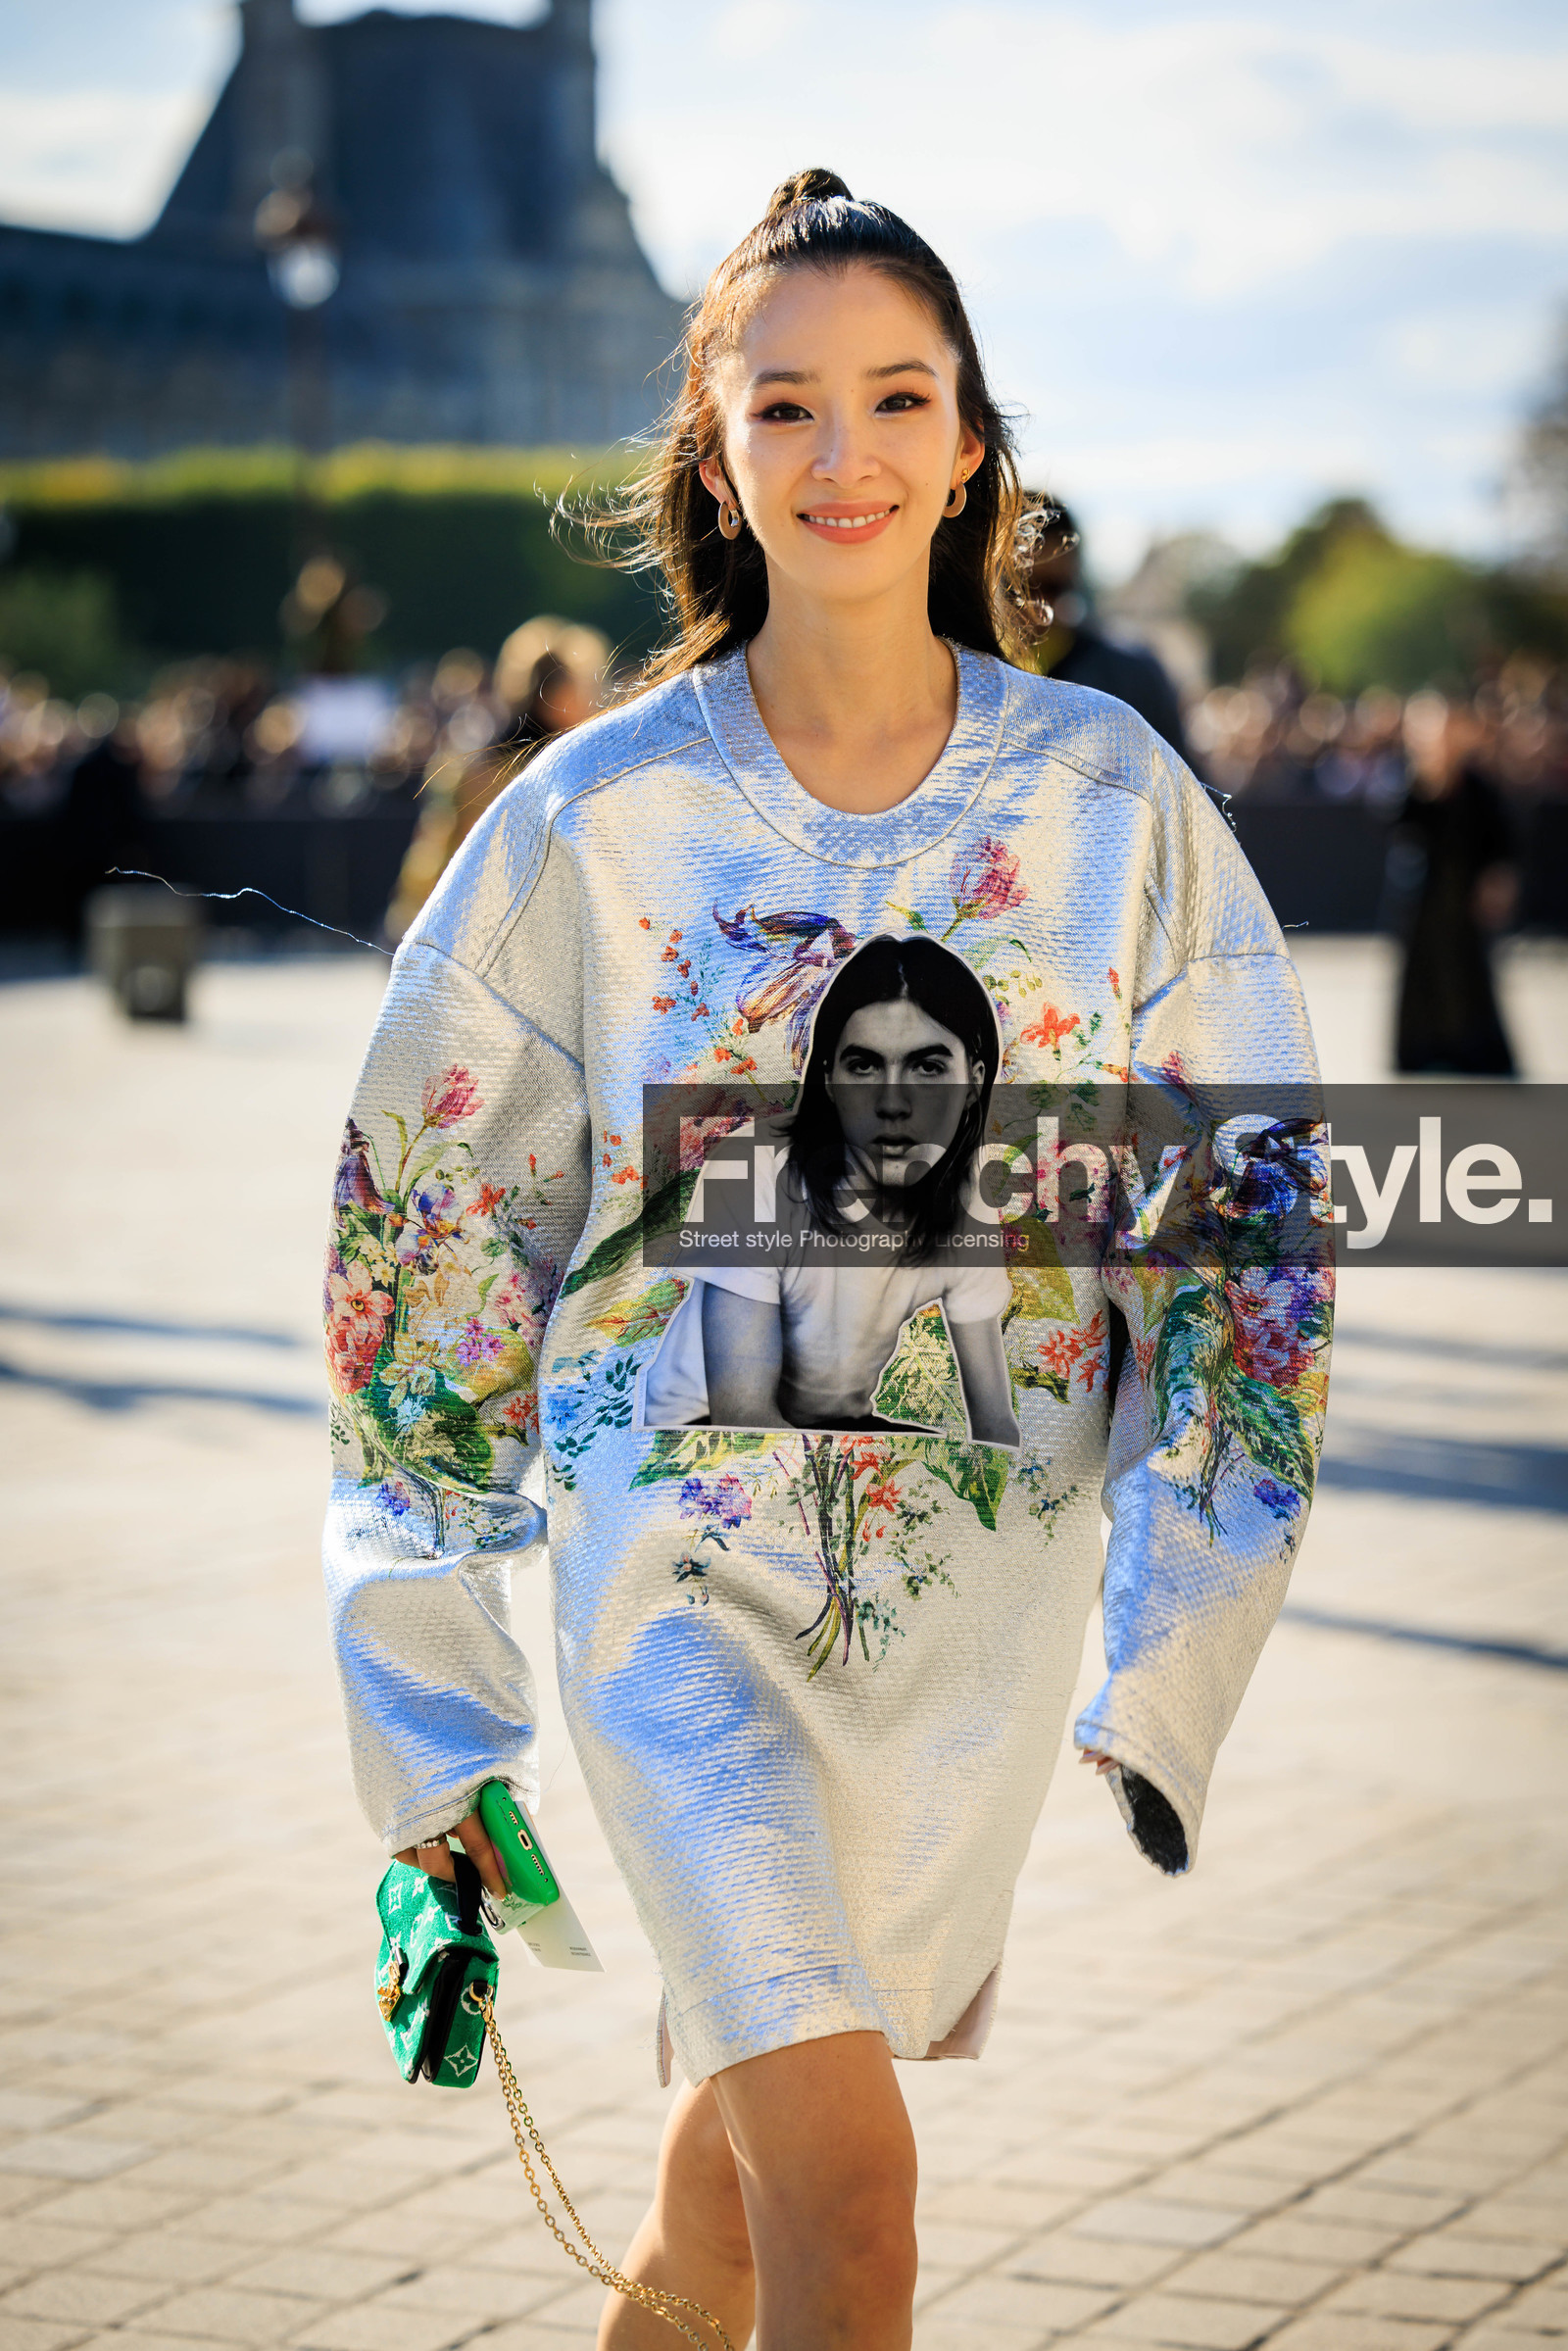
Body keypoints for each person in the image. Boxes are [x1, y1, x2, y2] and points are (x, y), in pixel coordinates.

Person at [323, 170, 1332, 2350]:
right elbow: (424, 1255)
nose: (843, 451)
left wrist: (1180, 1615)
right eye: (785, 405)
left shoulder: (1110, 799)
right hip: (669, 1583)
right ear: (714, 444)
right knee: (852, 2199)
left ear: (972, 440)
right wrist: (433, 1718)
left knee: (731, 2206)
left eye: (895, 397)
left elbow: (1242, 1209)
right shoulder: (585, 824)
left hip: (970, 1600)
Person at [643, 932, 1021, 1446]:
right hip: (700, 1440)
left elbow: (996, 1427)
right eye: (864, 1066)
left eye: (928, 1068)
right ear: (828, 1079)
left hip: (831, 1435)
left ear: (974, 1080)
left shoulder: (970, 1196)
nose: (893, 1104)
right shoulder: (751, 1166)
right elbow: (744, 1417)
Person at [384, 615, 608, 941]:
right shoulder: (537, 768)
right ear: (556, 696)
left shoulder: (482, 756)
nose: (591, 701)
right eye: (582, 689)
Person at [1393, 692, 1518, 1075]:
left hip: (1466, 894)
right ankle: (1424, 1048)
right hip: (1428, 896)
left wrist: (1499, 884)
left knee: (1469, 975)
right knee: (1424, 972)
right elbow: (1403, 826)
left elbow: (1502, 842)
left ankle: (1472, 1048)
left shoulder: (1479, 785)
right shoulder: (1418, 781)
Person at [1021, 501, 1194, 764]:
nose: (1039, 605)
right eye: (1024, 587)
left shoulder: (1134, 676)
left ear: (1074, 577)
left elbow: (1186, 787)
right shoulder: (965, 675)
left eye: (1054, 587)